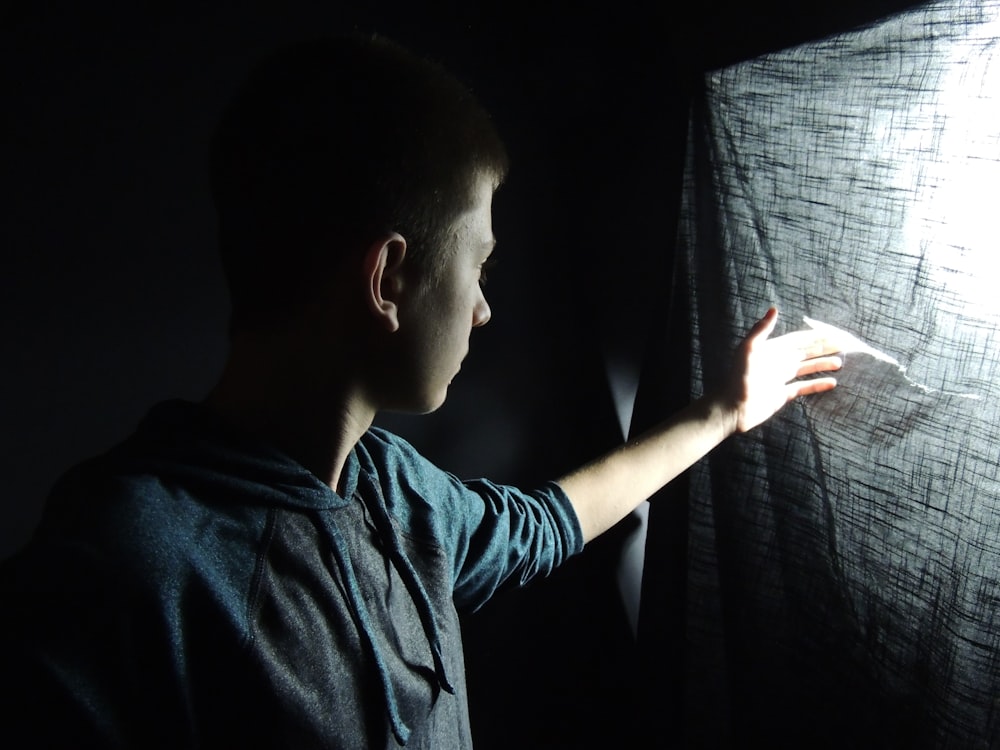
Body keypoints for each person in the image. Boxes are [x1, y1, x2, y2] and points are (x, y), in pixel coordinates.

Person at [0, 33, 842, 748]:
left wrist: (724, 410)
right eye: (477, 264)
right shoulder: (123, 565)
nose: (482, 310)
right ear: (388, 278)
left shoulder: (400, 494)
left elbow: (550, 521)